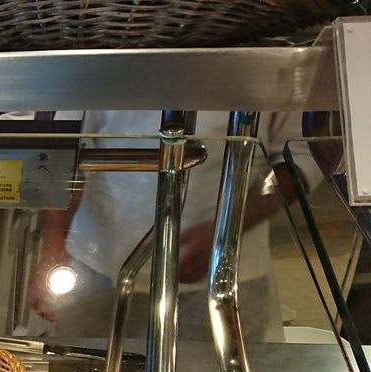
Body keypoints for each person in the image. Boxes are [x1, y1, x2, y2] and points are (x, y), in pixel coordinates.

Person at [27, 111, 307, 343]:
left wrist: (226, 229)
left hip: (226, 280)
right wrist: (52, 252)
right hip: (97, 269)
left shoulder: (275, 66)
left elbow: (299, 159)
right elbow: (63, 152)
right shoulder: (98, 61)